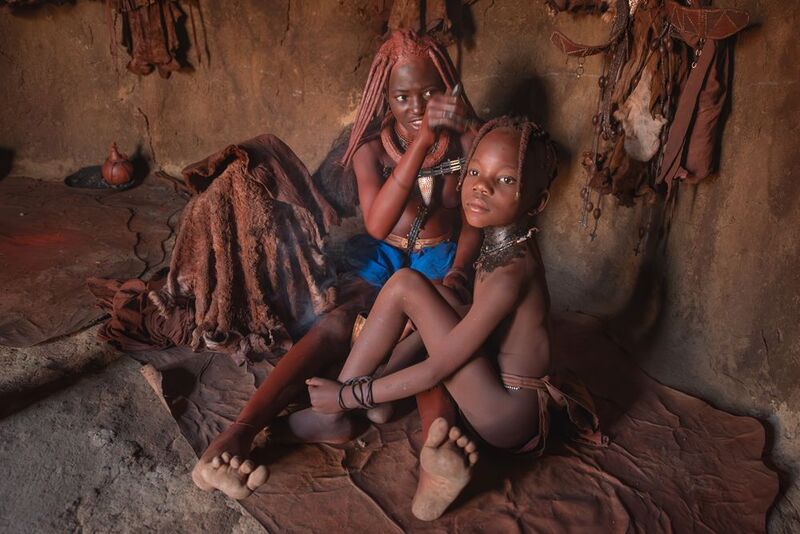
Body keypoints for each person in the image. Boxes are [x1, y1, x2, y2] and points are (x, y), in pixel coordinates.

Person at [191, 30, 482, 500]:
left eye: (429, 93)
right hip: (382, 253)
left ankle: (440, 449)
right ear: (384, 98)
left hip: (440, 257)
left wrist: (461, 270)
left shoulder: (469, 143)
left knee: (430, 339)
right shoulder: (371, 148)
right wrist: (420, 143)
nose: (416, 107)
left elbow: (474, 220)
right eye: (401, 97)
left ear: (449, 88)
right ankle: (240, 432)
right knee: (336, 323)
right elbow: (378, 222)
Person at [303, 117, 601, 521]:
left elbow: (436, 369)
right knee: (437, 294)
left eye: (505, 180)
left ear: (538, 202)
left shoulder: (510, 274)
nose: (482, 187)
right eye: (475, 172)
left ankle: (337, 407)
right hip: (503, 391)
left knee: (406, 284)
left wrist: (347, 396)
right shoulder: (507, 242)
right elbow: (465, 320)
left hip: (505, 414)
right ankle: (365, 396)